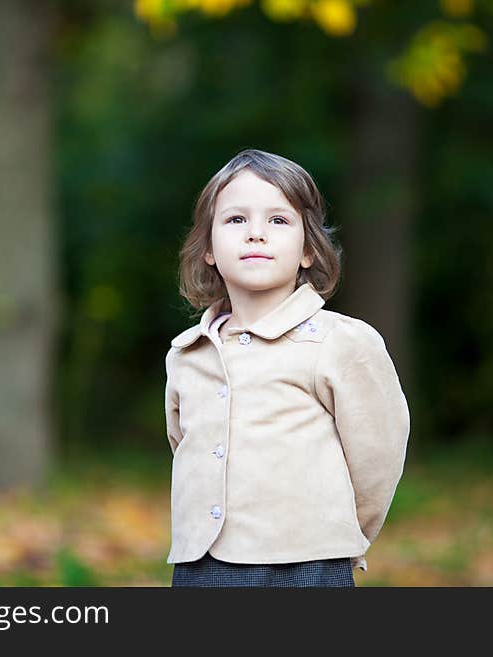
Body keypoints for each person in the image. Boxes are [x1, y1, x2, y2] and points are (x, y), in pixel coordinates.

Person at [164, 148, 410, 587]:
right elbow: (186, 447)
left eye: (278, 221)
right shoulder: (189, 354)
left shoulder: (340, 342)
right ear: (208, 251)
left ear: (308, 251)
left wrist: (335, 535)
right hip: (202, 566)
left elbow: (378, 456)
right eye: (236, 220)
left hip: (307, 566)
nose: (256, 234)